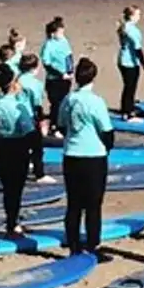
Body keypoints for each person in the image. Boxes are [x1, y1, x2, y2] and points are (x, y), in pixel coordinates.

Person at [57, 59, 115, 255]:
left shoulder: (69, 99)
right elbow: (106, 131)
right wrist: (106, 148)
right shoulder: (96, 101)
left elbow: (62, 125)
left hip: (72, 154)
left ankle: (73, 244)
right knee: (93, 204)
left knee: (73, 203)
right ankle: (93, 244)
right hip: (93, 156)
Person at [0, 60, 39, 235]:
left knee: (8, 188)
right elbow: (29, 132)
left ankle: (11, 219)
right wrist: (34, 152)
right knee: (16, 188)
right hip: (17, 148)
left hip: (0, 148)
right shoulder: (17, 107)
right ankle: (12, 221)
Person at [16, 45, 52, 187]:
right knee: (37, 147)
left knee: (20, 146)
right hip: (30, 118)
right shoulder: (35, 84)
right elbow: (37, 104)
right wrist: (42, 121)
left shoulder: (17, 80)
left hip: (16, 116)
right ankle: (39, 174)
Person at [115, 5, 144, 118]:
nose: (139, 17)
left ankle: (127, 108)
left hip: (123, 60)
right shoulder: (132, 30)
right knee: (130, 87)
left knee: (128, 86)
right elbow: (137, 49)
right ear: (132, 16)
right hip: (129, 62)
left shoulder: (125, 27)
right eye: (138, 14)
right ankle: (127, 111)